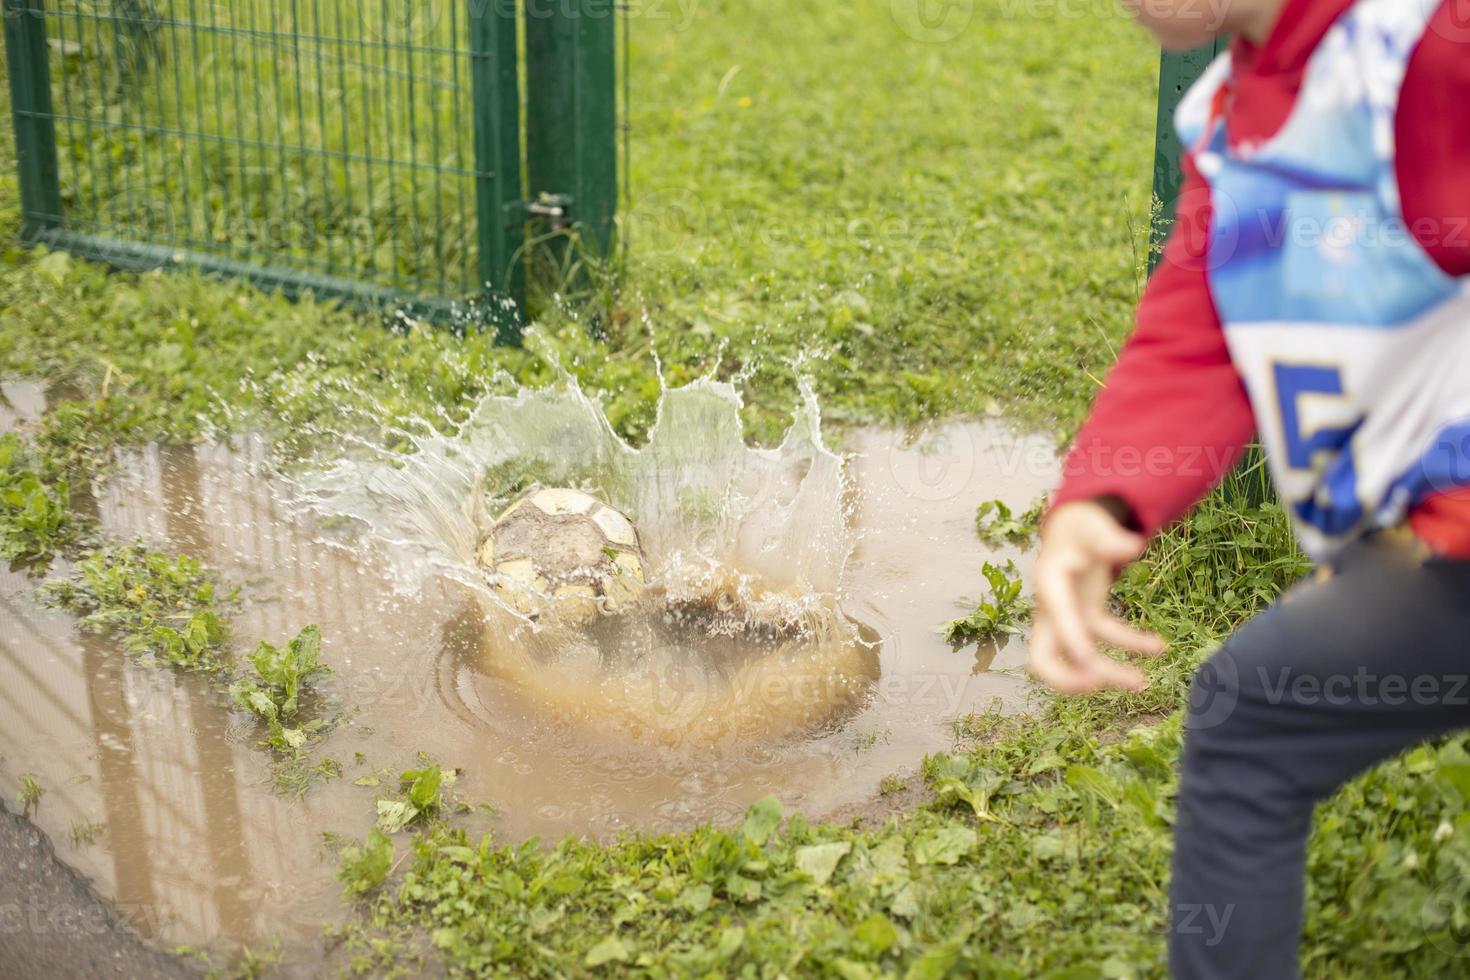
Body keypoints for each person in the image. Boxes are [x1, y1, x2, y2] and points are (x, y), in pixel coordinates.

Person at [1032, 0, 1470, 975]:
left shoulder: (1425, 43)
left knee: (1255, 718)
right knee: (1257, 710)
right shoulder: (1235, 126)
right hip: (1433, 557)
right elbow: (1201, 329)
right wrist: (1098, 501)